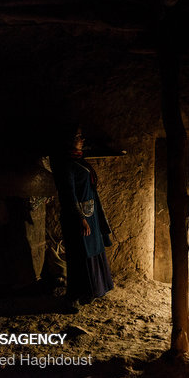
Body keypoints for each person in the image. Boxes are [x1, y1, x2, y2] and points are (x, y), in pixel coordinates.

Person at [50, 125, 114, 313]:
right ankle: (72, 298)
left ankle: (89, 291)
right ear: (68, 140)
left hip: (90, 214)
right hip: (77, 217)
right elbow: (68, 194)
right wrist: (80, 218)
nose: (82, 139)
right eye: (78, 136)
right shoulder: (65, 165)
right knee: (79, 255)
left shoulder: (79, 161)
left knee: (92, 250)